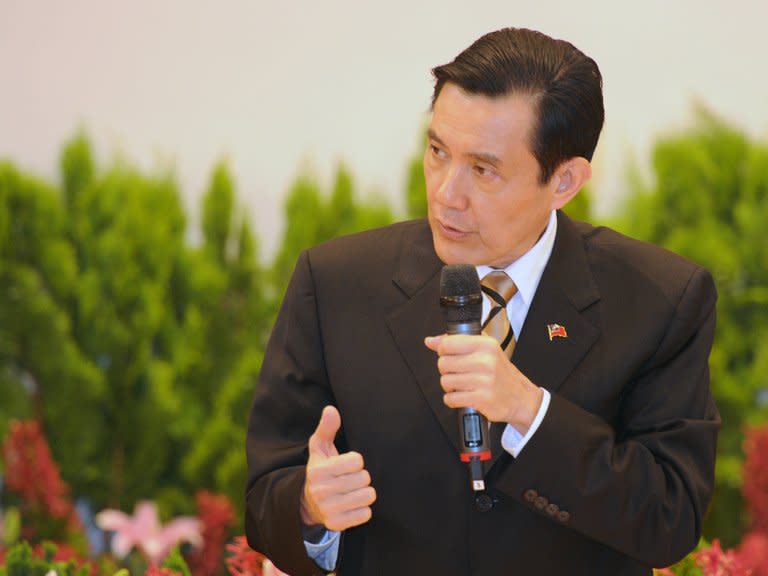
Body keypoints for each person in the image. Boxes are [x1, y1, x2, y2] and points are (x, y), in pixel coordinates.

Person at [245, 27, 720, 575]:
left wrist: (529, 411)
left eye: (483, 170)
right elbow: (265, 496)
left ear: (564, 181)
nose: (447, 193)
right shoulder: (335, 284)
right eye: (437, 152)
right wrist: (309, 509)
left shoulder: (659, 300)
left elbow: (670, 517)